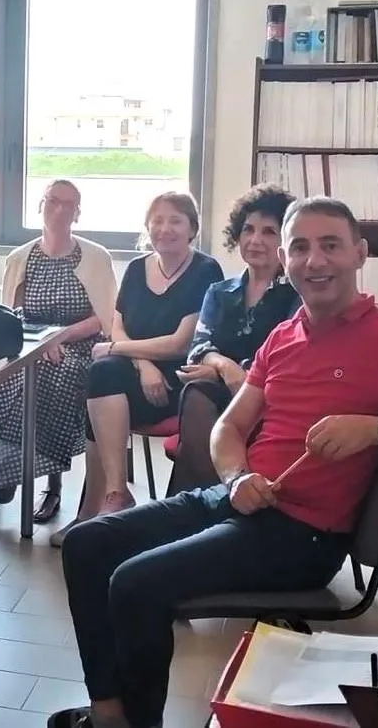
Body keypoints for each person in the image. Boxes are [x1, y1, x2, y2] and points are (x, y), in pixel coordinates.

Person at [51, 197, 378, 728]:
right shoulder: (283, 337)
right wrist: (237, 476)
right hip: (237, 499)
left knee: (135, 583)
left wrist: (377, 428)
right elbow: (229, 428)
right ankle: (109, 714)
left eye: (330, 245)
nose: (315, 260)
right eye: (300, 247)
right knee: (86, 544)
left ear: (360, 254)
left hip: (302, 535)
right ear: (285, 259)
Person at [55, 192, 223, 545]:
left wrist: (118, 350)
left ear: (192, 228)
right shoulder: (136, 269)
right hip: (136, 376)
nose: (165, 228)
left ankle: (92, 513)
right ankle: (116, 495)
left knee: (101, 390)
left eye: (175, 220)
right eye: (157, 221)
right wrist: (143, 364)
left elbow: (179, 343)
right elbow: (118, 327)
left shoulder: (206, 270)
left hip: (179, 383)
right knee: (102, 377)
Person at [0, 180, 117, 524]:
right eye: (53, 201)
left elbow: (103, 318)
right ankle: (17, 464)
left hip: (82, 345)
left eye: (68, 205)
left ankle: (41, 480)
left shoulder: (95, 257)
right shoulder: (20, 257)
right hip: (31, 344)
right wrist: (41, 344)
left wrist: (59, 337)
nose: (59, 210)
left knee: (56, 374)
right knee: (10, 376)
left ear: (78, 213)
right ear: (40, 205)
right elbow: (12, 316)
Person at [169, 184, 302, 495]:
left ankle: (194, 504)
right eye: (248, 230)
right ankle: (214, 501)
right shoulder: (219, 292)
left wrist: (221, 369)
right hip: (219, 394)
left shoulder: (296, 296)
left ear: (285, 240)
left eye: (269, 232)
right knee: (197, 391)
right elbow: (198, 349)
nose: (255, 240)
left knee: (199, 396)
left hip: (267, 402)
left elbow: (283, 359)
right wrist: (225, 368)